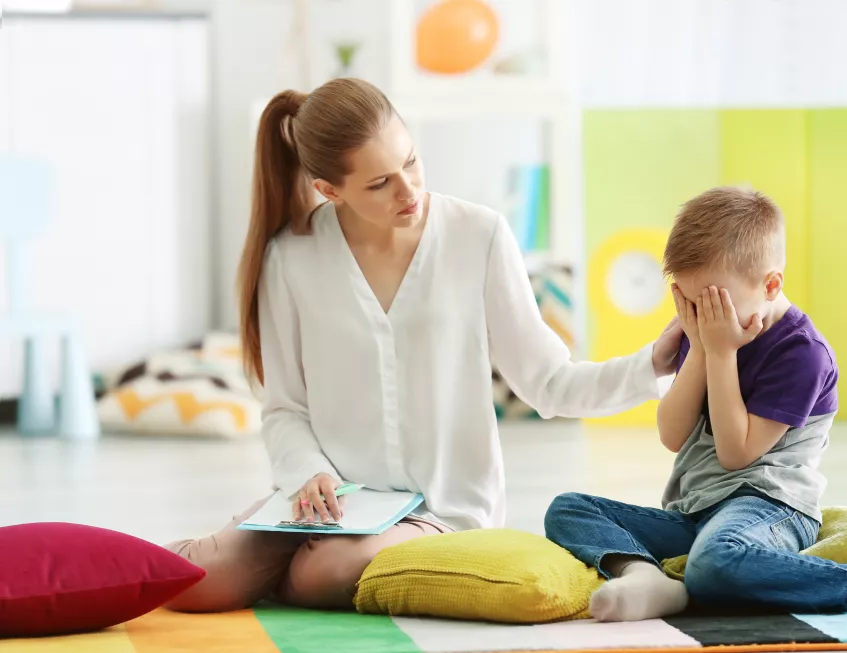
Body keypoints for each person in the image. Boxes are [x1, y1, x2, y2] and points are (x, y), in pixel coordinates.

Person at [164, 78, 683, 613]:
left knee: (325, 572)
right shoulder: (290, 257)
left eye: (411, 162)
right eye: (380, 183)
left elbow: (549, 384)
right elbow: (285, 410)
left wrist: (651, 364)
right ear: (329, 190)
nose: (408, 191)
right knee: (195, 583)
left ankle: (283, 572)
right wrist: (308, 474)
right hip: (328, 505)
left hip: (441, 508)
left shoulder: (478, 236)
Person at [544, 187, 847, 622]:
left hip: (771, 509)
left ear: (771, 285)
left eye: (713, 303)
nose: (703, 315)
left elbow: (736, 453)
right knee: (568, 509)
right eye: (690, 302)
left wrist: (720, 352)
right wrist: (704, 349)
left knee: (713, 564)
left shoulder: (801, 352)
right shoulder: (711, 327)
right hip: (696, 513)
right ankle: (644, 576)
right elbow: (672, 435)